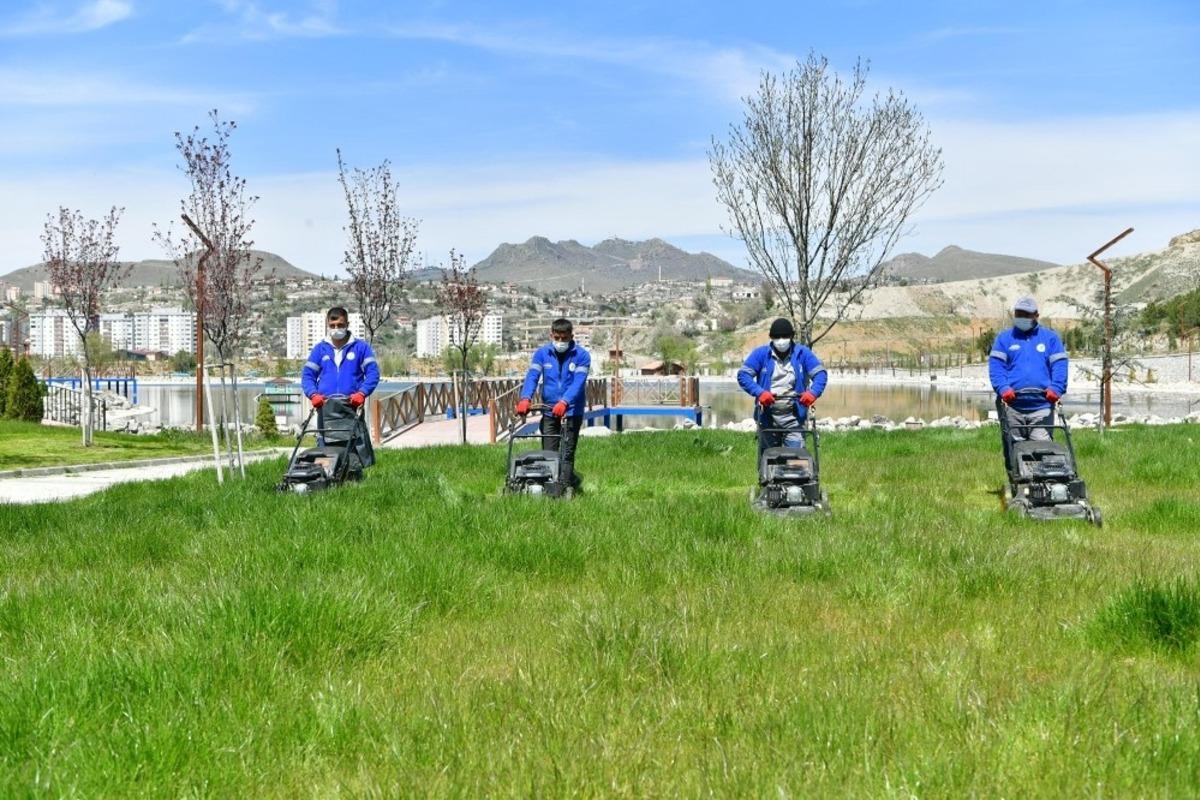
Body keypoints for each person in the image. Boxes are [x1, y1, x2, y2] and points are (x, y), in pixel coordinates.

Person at [515, 318, 592, 493]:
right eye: (557, 338)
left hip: (571, 412)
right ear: (551, 335)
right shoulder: (542, 354)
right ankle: (548, 485)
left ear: (571, 336)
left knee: (566, 452)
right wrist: (525, 398)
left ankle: (564, 487)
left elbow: (578, 383)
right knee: (549, 452)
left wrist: (565, 401)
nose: (560, 342)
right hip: (549, 410)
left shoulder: (582, 356)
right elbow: (533, 376)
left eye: (564, 338)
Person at [737, 317, 827, 454]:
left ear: (791, 336)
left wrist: (813, 393)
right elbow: (743, 375)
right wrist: (759, 392)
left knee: (796, 458)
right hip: (767, 417)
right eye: (776, 337)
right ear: (771, 337)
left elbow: (820, 374)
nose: (781, 340)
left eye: (784, 336)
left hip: (795, 418)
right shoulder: (760, 354)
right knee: (769, 458)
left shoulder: (803, 353)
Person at [988, 296, 1068, 442]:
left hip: (1042, 407)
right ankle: (1013, 466)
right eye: (1019, 314)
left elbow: (1060, 366)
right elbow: (996, 367)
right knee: (1014, 451)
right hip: (1011, 407)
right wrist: (1003, 388)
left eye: (1026, 314)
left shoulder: (1050, 338)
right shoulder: (1004, 339)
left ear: (1036, 316)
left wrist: (1056, 387)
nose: (1022, 317)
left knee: (1042, 450)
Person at [301, 306, 380, 418]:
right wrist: (313, 394)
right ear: (327, 325)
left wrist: (362, 393)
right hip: (325, 407)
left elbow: (373, 374)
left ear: (347, 324)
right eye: (332, 325)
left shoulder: (361, 348)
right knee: (325, 436)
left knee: (356, 436)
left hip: (353, 407)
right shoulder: (319, 349)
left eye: (340, 325)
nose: (336, 328)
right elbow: (308, 376)